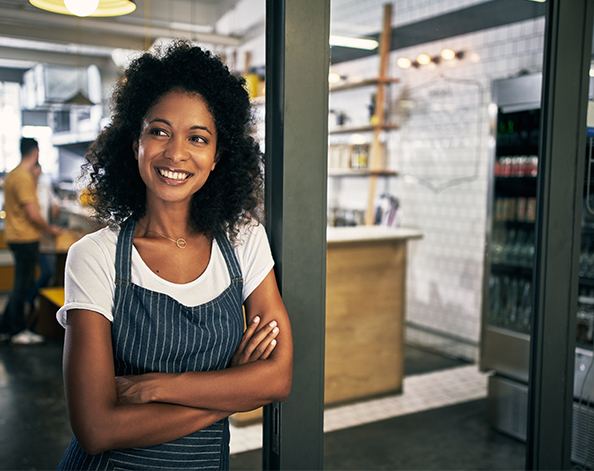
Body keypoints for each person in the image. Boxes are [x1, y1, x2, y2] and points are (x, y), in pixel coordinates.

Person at [56, 40, 293, 470]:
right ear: (136, 143)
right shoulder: (95, 257)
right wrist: (230, 389)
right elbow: (96, 430)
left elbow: (277, 378)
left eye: (197, 137)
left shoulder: (243, 239)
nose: (175, 153)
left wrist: (159, 387)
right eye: (159, 131)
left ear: (218, 156)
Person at [0, 138, 61, 345]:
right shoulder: (23, 177)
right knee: (22, 286)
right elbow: (33, 214)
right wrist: (50, 229)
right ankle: (17, 331)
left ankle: (5, 326)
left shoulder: (13, 174)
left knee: (20, 284)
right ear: (35, 153)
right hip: (25, 238)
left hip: (16, 236)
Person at [24, 163, 61, 327]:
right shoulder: (27, 189)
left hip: (45, 237)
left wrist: (54, 209)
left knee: (47, 273)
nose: (36, 176)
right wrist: (48, 228)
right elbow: (32, 215)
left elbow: (55, 202)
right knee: (46, 271)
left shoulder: (44, 187)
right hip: (32, 237)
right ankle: (29, 301)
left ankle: (33, 304)